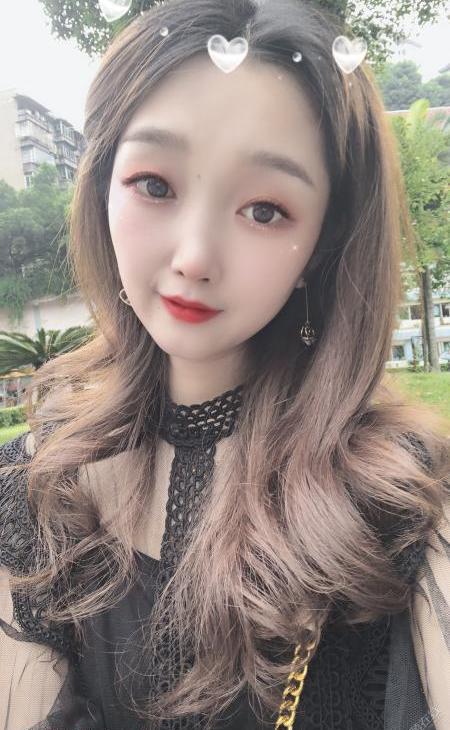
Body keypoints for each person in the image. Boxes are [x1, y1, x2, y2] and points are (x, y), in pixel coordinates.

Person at [0, 0, 449, 728]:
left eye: (265, 209)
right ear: (102, 186)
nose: (195, 257)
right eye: (155, 185)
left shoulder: (410, 505)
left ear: (324, 243)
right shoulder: (33, 492)